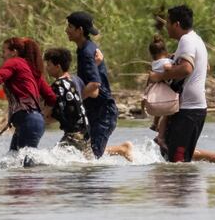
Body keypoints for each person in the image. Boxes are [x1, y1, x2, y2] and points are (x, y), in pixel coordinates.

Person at [149, 5, 215, 163]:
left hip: (189, 110)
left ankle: (185, 186)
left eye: (168, 23)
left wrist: (160, 76)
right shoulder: (194, 40)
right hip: (187, 109)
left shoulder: (187, 40)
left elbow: (186, 68)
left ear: (176, 24)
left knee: (178, 161)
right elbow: (204, 66)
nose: (166, 27)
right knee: (170, 154)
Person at [65, 11, 132, 160]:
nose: (66, 30)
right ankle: (122, 149)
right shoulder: (84, 49)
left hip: (103, 112)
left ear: (80, 30)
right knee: (85, 153)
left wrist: (74, 100)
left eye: (70, 26)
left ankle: (123, 149)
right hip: (94, 110)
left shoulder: (87, 52)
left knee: (92, 158)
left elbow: (94, 85)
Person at [42, 48, 93, 158]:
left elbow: (48, 112)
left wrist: (39, 119)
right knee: (87, 163)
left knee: (51, 161)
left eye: (49, 65)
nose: (46, 68)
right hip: (85, 131)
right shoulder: (72, 80)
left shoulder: (57, 85)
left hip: (74, 134)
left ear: (58, 66)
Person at [148, 34, 174, 149]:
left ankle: (154, 123)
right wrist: (174, 62)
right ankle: (160, 137)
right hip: (165, 90)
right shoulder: (166, 61)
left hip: (156, 90)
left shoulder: (154, 63)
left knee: (159, 111)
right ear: (164, 51)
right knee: (167, 114)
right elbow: (168, 68)